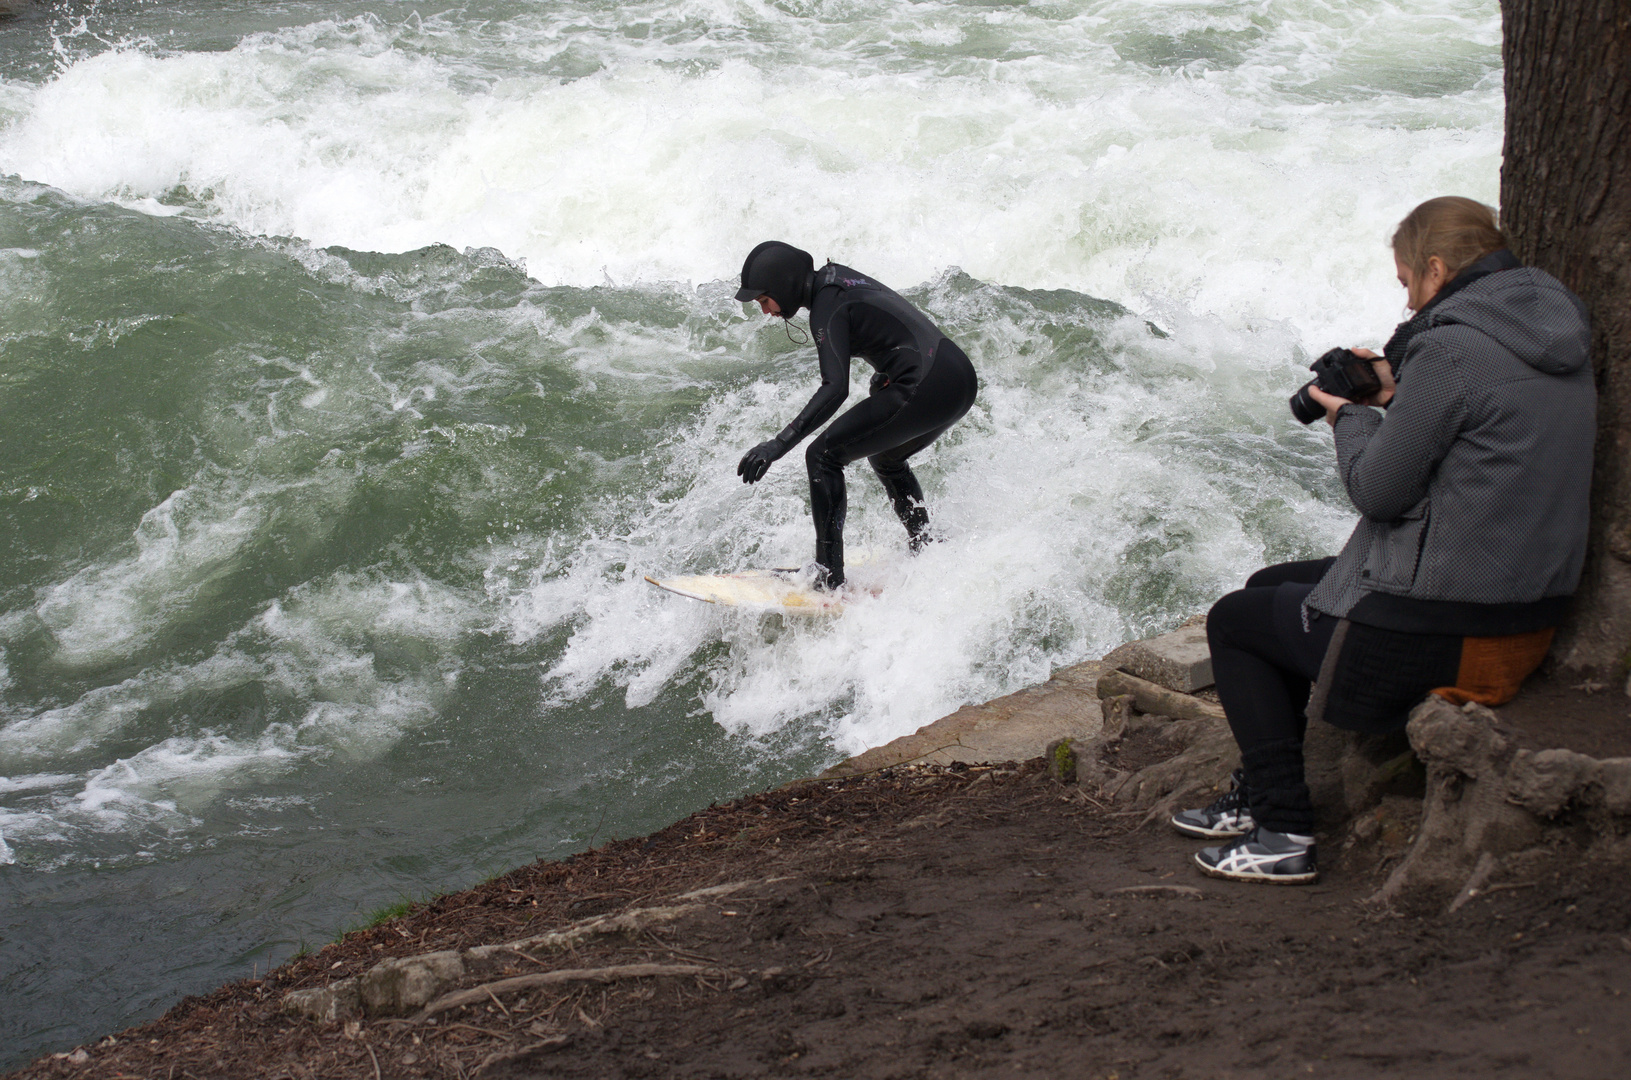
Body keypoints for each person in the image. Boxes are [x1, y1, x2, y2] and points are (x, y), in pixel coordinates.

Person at [1172, 196, 1596, 884]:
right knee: (1269, 586)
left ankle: (1281, 831)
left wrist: (1348, 415)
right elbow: (1483, 435)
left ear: (1434, 269)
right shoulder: (1549, 325)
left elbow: (1377, 490)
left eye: (1405, 284)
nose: (1404, 305)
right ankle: (1258, 789)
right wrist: (1396, 393)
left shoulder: (1450, 348)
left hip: (1450, 635)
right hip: (1522, 612)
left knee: (1235, 621)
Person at [732, 241, 979, 590]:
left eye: (764, 300)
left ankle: (828, 575)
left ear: (784, 285)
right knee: (886, 458)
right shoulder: (837, 281)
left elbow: (835, 389)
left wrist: (778, 444)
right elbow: (892, 326)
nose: (765, 311)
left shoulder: (827, 307)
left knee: (822, 457)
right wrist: (886, 372)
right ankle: (926, 548)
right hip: (954, 375)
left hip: (929, 382)